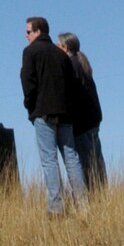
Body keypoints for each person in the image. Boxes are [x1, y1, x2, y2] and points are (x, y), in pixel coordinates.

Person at [21, 17, 86, 216]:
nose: (26, 35)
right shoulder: (62, 55)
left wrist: (30, 108)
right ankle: (84, 206)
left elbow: (28, 82)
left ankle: (56, 208)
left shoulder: (30, 52)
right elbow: (73, 85)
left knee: (49, 160)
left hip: (44, 113)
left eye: (29, 32)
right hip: (65, 113)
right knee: (71, 158)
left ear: (38, 31)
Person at [58, 34, 106, 187]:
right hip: (93, 121)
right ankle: (101, 192)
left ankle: (92, 194)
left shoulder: (70, 66)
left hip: (81, 124)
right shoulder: (83, 63)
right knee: (97, 161)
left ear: (65, 47)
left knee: (86, 164)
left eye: (59, 45)